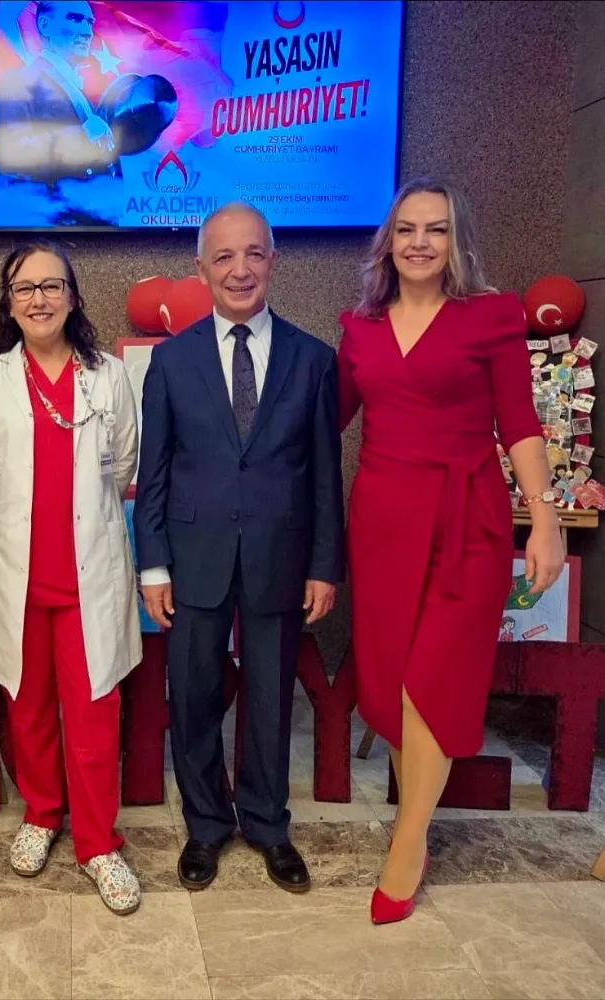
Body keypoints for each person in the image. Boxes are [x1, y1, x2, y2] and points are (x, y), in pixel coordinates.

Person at [337, 175, 565, 925]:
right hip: (382, 524)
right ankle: (416, 827)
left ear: (456, 239)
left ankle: (408, 845)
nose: (420, 243)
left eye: (436, 229)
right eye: (407, 229)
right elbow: (320, 422)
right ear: (388, 242)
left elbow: (519, 425)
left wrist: (544, 518)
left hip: (468, 521)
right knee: (393, 681)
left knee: (429, 682)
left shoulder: (491, 316)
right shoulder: (360, 328)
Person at [134, 202, 344, 893]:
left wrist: (324, 565)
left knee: (271, 699)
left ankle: (267, 824)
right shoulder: (171, 361)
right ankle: (205, 825)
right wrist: (153, 564)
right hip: (192, 558)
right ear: (201, 268)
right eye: (223, 256)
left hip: (280, 558)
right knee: (192, 696)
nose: (239, 269)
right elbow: (155, 473)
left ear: (273, 261)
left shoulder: (314, 360)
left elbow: (324, 474)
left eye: (253, 253)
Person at [0, 241, 144, 915]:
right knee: (27, 708)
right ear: (8, 303)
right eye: (24, 288)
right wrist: (18, 517)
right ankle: (41, 813)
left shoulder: (108, 375)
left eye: (52, 286)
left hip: (90, 579)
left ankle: (98, 843)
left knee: (94, 714)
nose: (39, 299)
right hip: (18, 578)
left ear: (73, 296)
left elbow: (124, 465)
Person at [0, 0, 175, 186]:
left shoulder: (83, 98)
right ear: (44, 25)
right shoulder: (17, 82)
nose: (88, 32)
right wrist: (82, 135)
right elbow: (11, 156)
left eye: (89, 22)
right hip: (49, 203)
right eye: (75, 19)